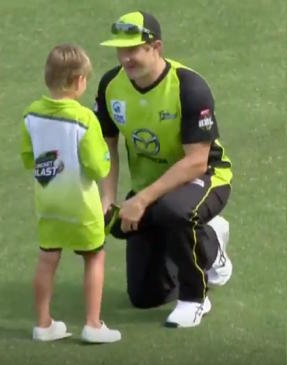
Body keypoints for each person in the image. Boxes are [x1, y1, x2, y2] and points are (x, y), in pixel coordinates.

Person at [94, 11, 233, 328]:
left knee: (175, 211)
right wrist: (107, 198)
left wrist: (141, 200)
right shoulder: (111, 86)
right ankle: (208, 240)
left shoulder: (189, 86)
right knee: (145, 295)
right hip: (152, 187)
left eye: (133, 49)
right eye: (120, 49)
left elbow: (196, 160)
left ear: (156, 46)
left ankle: (195, 298)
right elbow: (107, 146)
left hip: (206, 177)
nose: (125, 58)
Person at [21, 44, 121, 343]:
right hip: (81, 204)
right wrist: (104, 159)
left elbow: (29, 158)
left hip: (48, 202)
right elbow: (97, 166)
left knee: (47, 258)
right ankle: (92, 325)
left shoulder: (31, 114)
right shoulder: (85, 119)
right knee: (94, 256)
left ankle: (43, 324)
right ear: (79, 81)